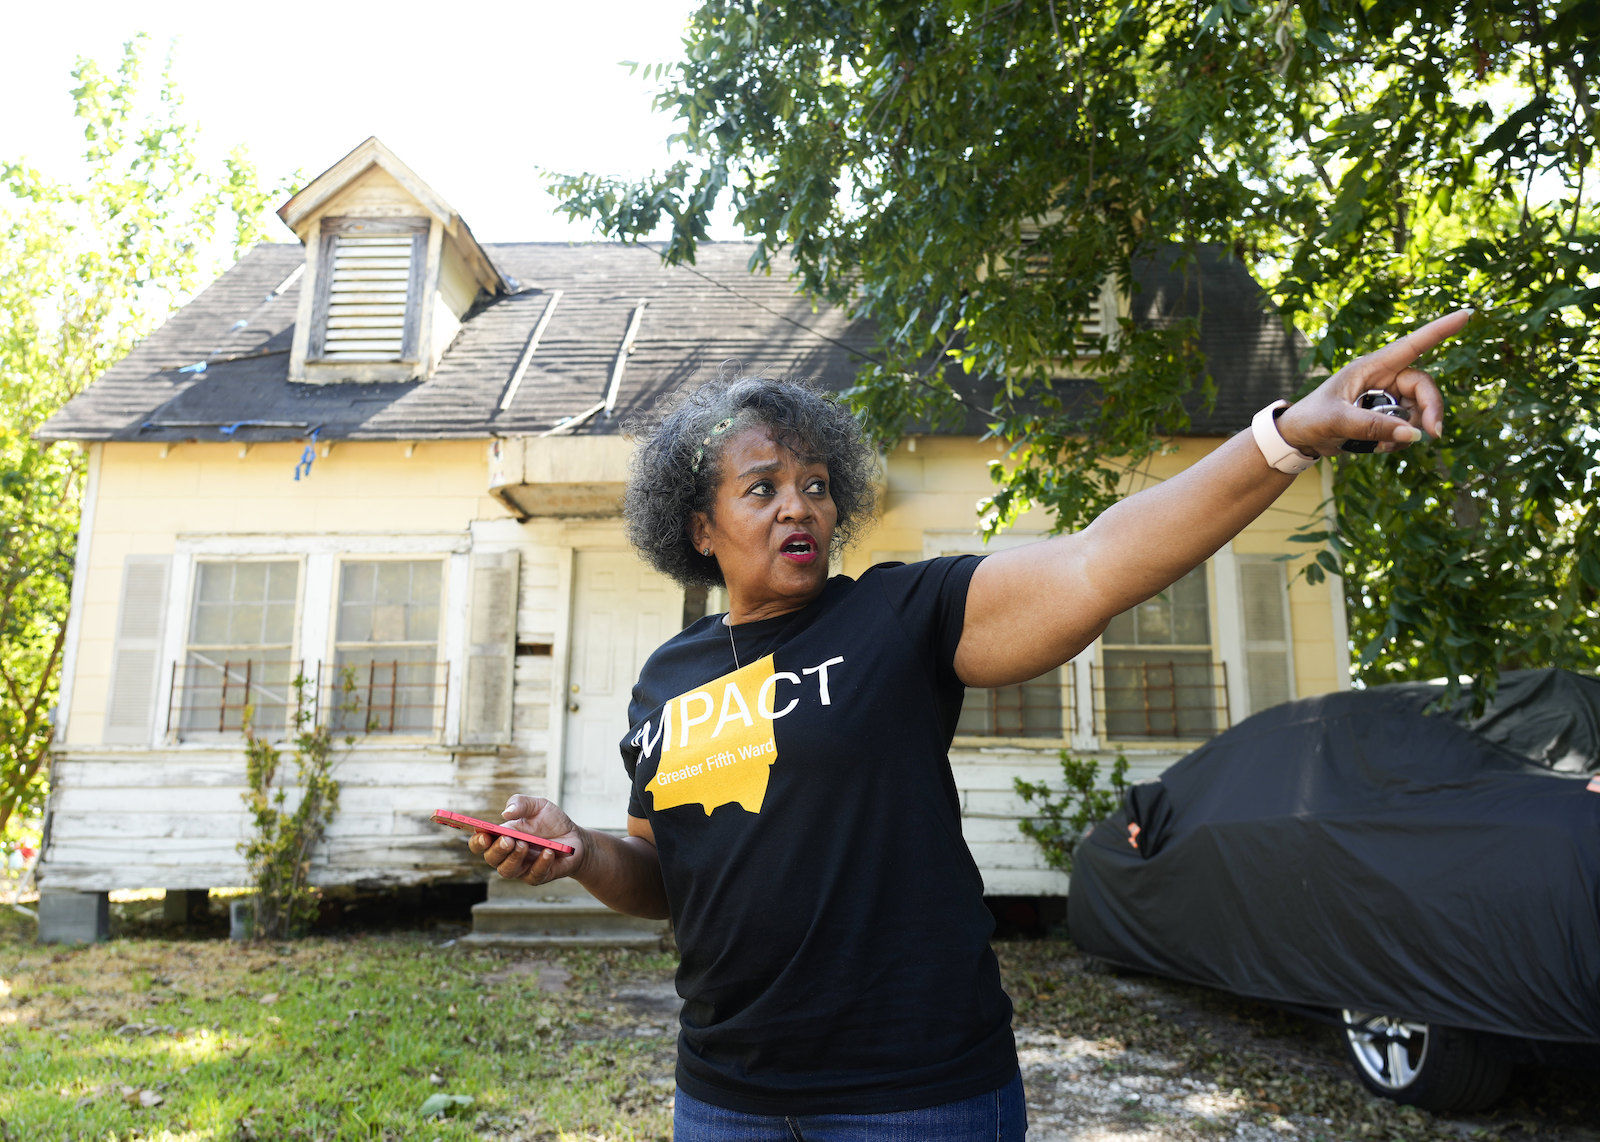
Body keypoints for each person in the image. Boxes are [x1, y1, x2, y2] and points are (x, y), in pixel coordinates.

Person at [469, 310, 1471, 1140]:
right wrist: (578, 850)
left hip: (912, 1093)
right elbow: (665, 876)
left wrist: (1284, 433)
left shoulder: (898, 615)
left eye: (816, 484)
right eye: (761, 487)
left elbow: (1097, 560)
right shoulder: (665, 681)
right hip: (725, 1095)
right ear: (699, 527)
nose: (797, 506)